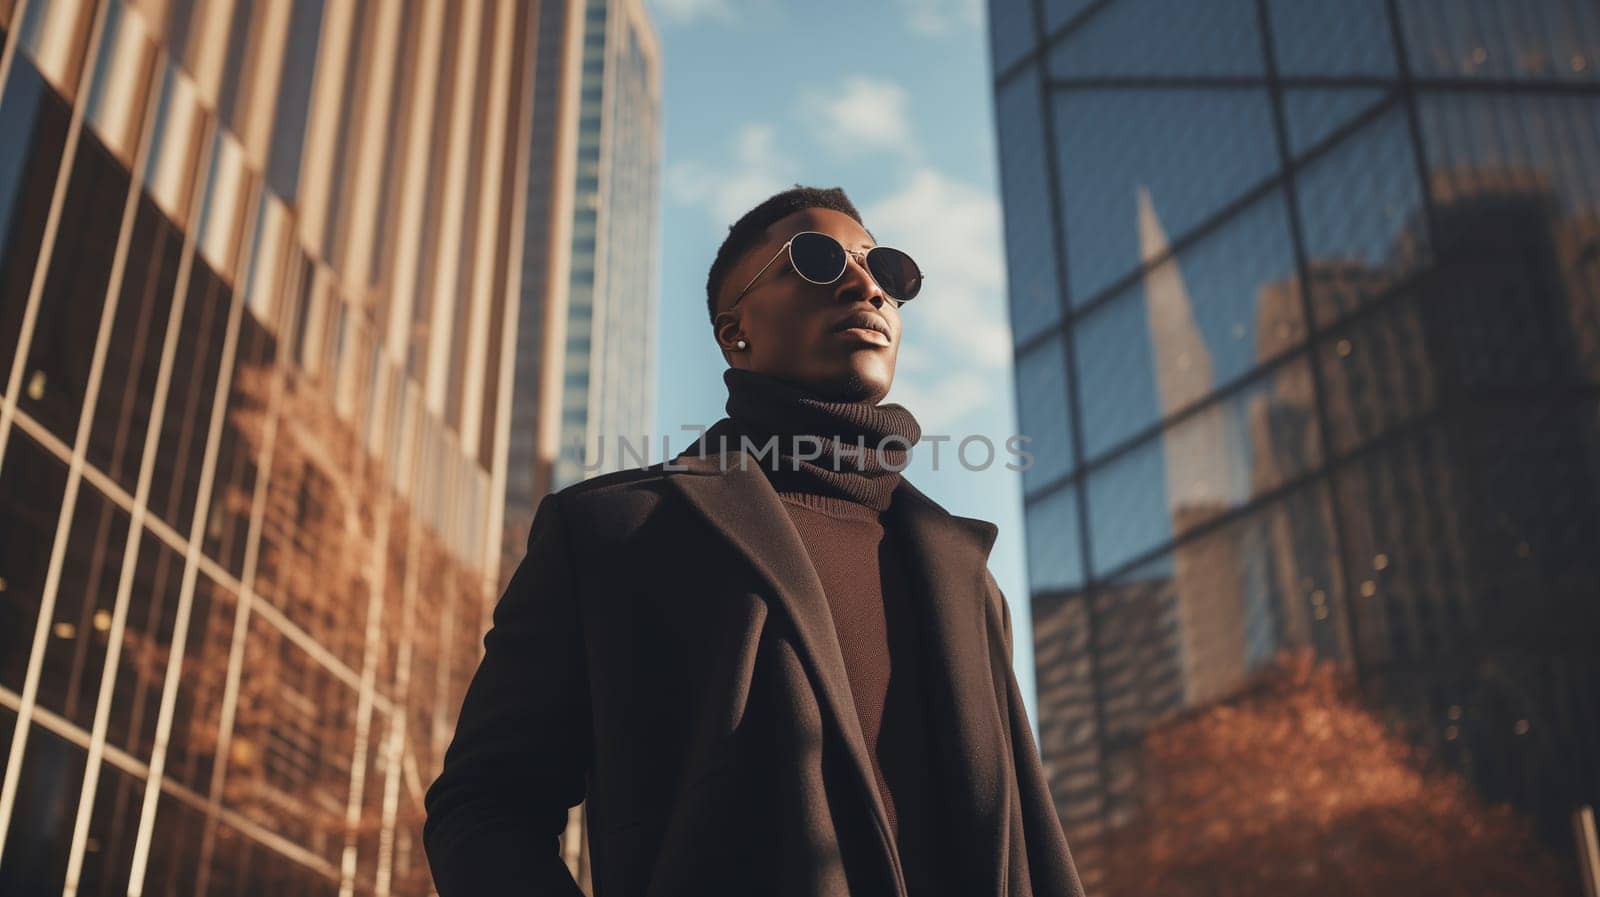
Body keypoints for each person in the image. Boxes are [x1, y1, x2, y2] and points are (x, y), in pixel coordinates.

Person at [422, 186, 1085, 897]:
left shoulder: (963, 572)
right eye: (819, 260)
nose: (867, 287)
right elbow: (483, 808)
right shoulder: (616, 530)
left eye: (884, 270)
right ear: (735, 331)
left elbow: (1030, 849)